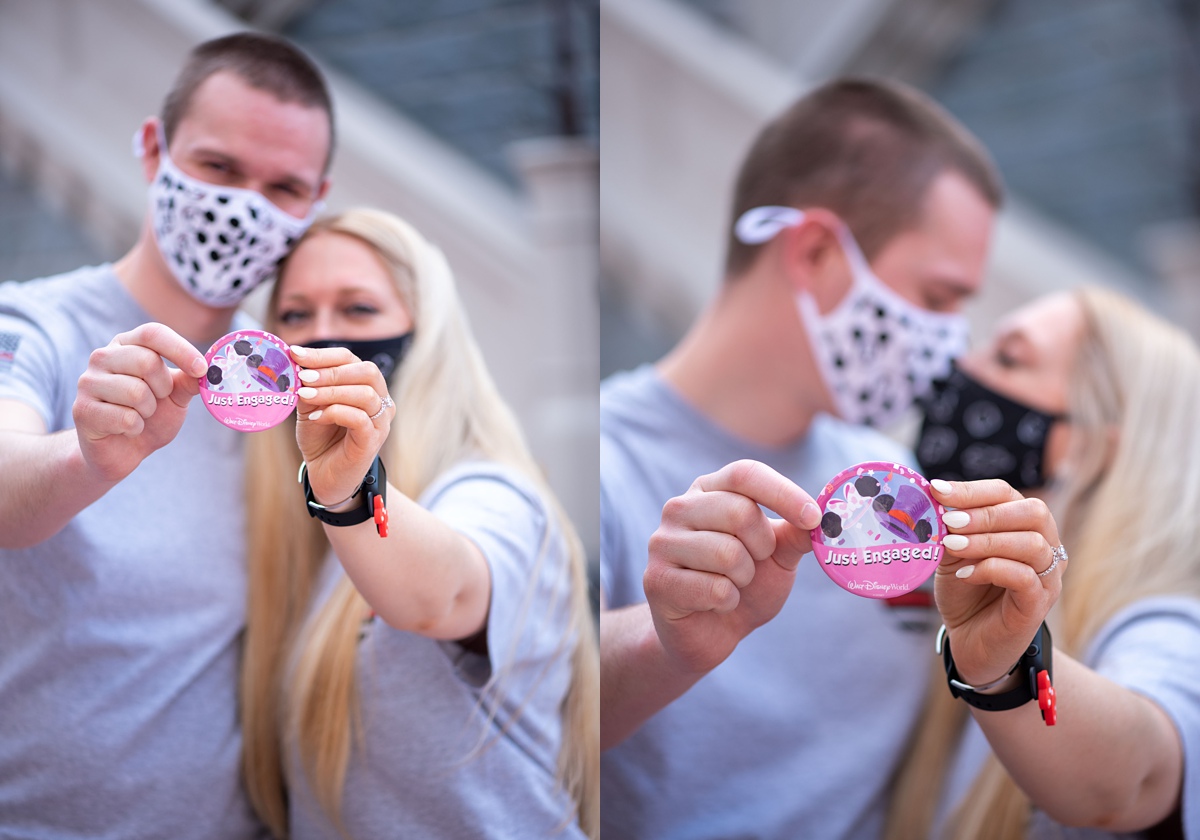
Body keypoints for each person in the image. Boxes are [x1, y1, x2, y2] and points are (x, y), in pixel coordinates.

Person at [600, 77, 1003, 837]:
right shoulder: (594, 463)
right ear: (816, 252)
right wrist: (667, 643)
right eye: (939, 297)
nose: (954, 340)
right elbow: (524, 714)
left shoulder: (903, 487)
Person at [0, 33, 332, 837]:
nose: (246, 205)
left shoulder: (293, 377)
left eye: (283, 186)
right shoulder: (30, 324)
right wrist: (91, 457)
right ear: (154, 149)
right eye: (219, 168)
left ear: (317, 200)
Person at [238, 208, 599, 839]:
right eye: (295, 315)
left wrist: (349, 491)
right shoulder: (302, 526)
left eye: (359, 310)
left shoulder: (495, 493)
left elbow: (444, 596)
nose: (324, 336)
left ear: (426, 331)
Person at [886, 286, 1200, 839]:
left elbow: (1132, 778)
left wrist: (1008, 668)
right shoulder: (962, 591)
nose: (959, 369)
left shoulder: (1170, 626)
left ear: (1090, 448)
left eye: (1009, 357)